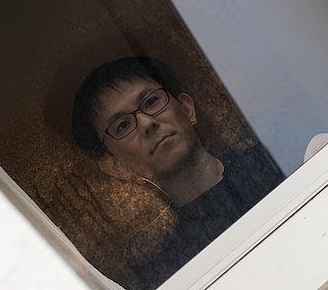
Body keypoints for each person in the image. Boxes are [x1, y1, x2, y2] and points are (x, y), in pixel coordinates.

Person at [71, 56, 283, 289]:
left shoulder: (276, 154)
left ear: (187, 109)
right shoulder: (158, 266)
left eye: (151, 101)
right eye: (123, 125)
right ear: (116, 166)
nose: (145, 122)